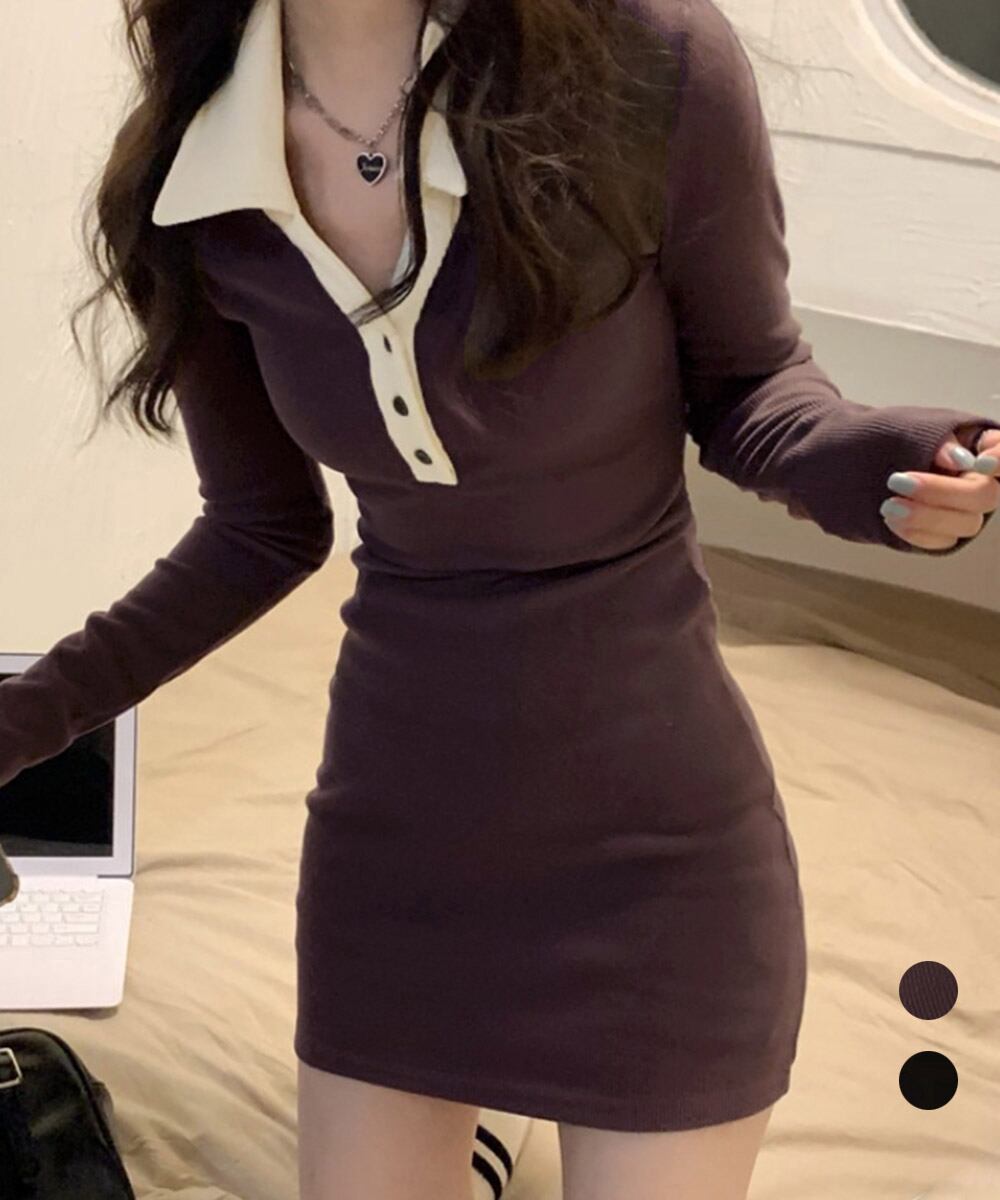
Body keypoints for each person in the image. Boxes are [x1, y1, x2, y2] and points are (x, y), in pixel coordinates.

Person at [2, 0, 998, 1197]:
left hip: (656, 836)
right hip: (397, 837)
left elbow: (751, 388)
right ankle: (491, 1141)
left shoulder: (653, 59)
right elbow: (259, 532)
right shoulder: (198, 155)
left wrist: (882, 469)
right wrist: (21, 725)